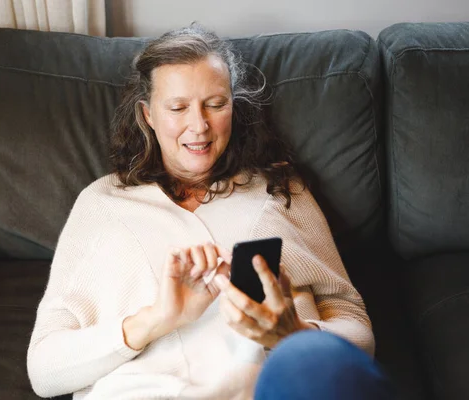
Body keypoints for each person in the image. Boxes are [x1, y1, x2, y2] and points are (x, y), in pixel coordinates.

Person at [27, 24, 395, 399]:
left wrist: (295, 333)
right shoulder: (102, 203)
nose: (199, 126)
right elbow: (44, 372)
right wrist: (156, 319)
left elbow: (356, 328)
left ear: (234, 107)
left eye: (216, 105)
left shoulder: (279, 191)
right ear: (148, 114)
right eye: (178, 107)